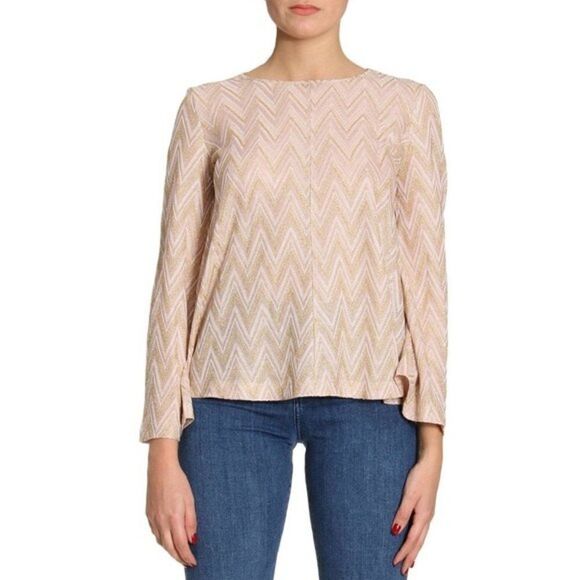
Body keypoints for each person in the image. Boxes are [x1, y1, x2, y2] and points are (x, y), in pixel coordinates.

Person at [139, 1, 448, 578]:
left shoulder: (406, 107)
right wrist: (160, 445)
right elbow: (173, 278)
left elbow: (426, 277)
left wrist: (434, 445)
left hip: (371, 398)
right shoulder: (209, 107)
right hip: (225, 400)